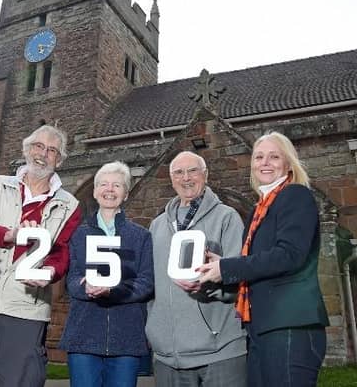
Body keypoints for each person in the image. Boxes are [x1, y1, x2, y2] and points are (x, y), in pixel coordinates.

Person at [0, 125, 82, 387]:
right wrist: (10, 235)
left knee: (20, 381)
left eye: (52, 150)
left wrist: (50, 273)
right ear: (26, 150)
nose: (43, 154)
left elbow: (62, 251)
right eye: (38, 146)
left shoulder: (71, 204)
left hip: (27, 309)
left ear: (60, 159)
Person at [198, 132, 329, 386]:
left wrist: (226, 267)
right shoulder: (261, 208)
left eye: (274, 156)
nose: (264, 162)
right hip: (261, 328)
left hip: (290, 326)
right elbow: (259, 264)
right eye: (258, 157)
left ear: (288, 163)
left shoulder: (295, 195)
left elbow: (289, 255)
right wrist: (219, 266)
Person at [145, 151, 247, 386]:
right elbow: (152, 284)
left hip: (220, 351)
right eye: (178, 172)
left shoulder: (227, 218)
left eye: (193, 171)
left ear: (206, 175)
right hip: (168, 357)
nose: (186, 178)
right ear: (171, 179)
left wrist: (212, 283)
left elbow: (241, 279)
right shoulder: (157, 225)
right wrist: (154, 330)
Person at [59, 161, 154, 387]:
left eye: (117, 185)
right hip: (83, 336)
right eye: (103, 184)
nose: (109, 190)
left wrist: (115, 291)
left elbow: (147, 283)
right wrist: (85, 287)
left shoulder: (141, 236)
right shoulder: (78, 235)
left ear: (126, 193)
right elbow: (71, 279)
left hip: (126, 338)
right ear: (94, 191)